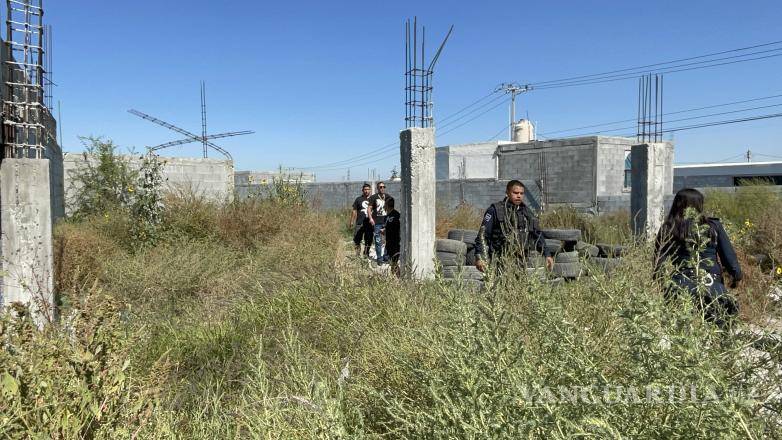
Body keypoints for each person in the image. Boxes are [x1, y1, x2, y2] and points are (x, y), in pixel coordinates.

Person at [654, 188, 742, 328]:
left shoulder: (668, 227)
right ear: (699, 205)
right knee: (720, 327)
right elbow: (729, 257)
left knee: (681, 333)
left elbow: (659, 262)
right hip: (711, 283)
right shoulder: (713, 226)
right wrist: (735, 276)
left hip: (680, 283)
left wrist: (661, 284)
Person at [474, 180, 554, 273]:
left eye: (521, 193)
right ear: (507, 193)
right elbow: (482, 235)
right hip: (498, 261)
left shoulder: (528, 213)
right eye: (515, 193)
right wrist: (479, 256)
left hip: (520, 262)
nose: (519, 196)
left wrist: (547, 255)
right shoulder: (495, 210)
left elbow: (537, 235)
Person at [367, 181, 394, 265]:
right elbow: (369, 208)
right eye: (380, 187)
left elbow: (391, 208)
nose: (382, 188)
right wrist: (371, 218)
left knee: (389, 240)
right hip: (377, 223)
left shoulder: (388, 197)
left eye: (383, 187)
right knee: (378, 241)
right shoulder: (373, 197)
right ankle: (379, 259)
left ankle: (386, 257)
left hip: (386, 222)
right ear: (377, 188)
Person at [349, 183, 373, 257]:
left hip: (369, 223)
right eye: (365, 189)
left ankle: (366, 253)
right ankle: (357, 254)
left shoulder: (373, 199)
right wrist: (351, 221)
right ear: (362, 190)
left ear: (370, 190)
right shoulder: (358, 199)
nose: (366, 191)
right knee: (357, 239)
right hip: (359, 223)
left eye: (368, 189)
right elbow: (354, 210)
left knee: (368, 239)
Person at [382, 197, 401, 275]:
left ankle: (398, 278)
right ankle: (395, 278)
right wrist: (384, 231)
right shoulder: (387, 216)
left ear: (386, 205)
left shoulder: (397, 215)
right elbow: (388, 228)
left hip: (396, 243)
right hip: (389, 242)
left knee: (394, 262)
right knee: (392, 262)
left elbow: (399, 229)